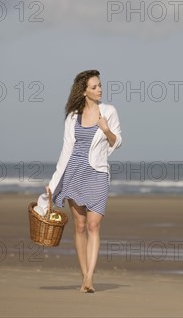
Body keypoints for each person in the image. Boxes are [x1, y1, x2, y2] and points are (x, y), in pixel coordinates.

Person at [34, 69, 122, 293]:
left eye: (100, 85)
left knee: (94, 225)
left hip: (97, 173)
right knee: (80, 225)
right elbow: (66, 151)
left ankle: (90, 278)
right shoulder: (73, 117)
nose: (99, 89)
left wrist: (106, 130)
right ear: (83, 91)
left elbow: (117, 142)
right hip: (74, 171)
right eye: (94, 87)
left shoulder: (109, 112)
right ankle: (85, 275)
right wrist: (53, 184)